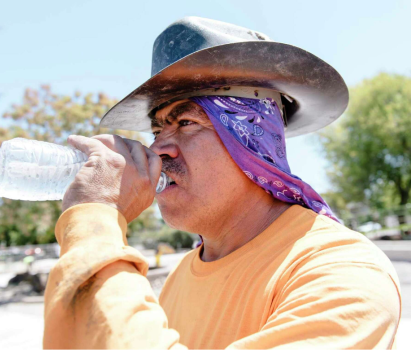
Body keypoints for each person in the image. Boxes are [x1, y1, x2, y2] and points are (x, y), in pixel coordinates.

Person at [43, 17, 401, 349]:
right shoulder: (180, 276)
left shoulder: (339, 272)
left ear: (251, 139)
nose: (158, 149)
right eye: (157, 128)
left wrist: (94, 222)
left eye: (185, 122)